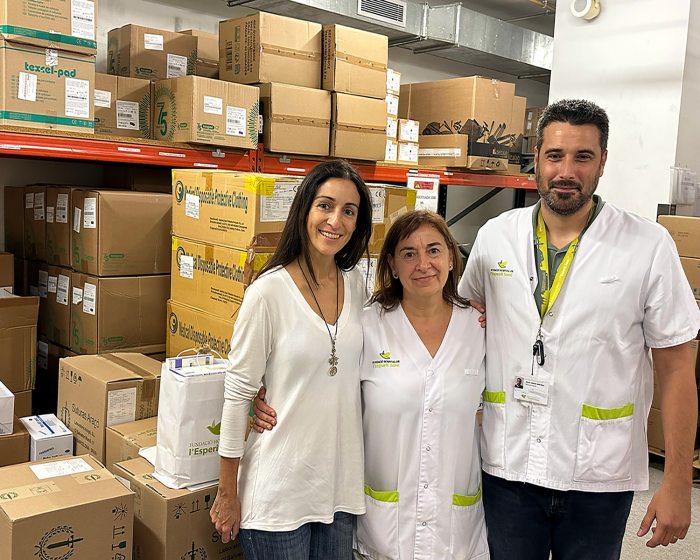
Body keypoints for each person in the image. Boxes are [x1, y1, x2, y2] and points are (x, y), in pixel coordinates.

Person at [459, 99, 700, 560]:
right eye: (555, 155)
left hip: (597, 474)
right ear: (536, 158)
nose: (566, 171)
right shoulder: (494, 236)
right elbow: (466, 317)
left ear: (603, 161)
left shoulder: (647, 245)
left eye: (583, 157)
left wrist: (677, 481)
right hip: (508, 465)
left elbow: (676, 367)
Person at [254, 210, 490, 559]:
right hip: (384, 529)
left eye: (434, 250)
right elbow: (313, 369)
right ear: (392, 265)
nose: (423, 264)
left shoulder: (480, 326)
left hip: (456, 530)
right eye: (409, 253)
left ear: (452, 258)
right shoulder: (365, 324)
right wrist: (261, 396)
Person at [210, 159, 373, 560]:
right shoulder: (268, 294)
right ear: (304, 209)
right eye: (325, 206)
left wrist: (466, 309)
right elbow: (237, 395)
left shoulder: (356, 285)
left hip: (338, 490)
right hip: (278, 494)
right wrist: (226, 492)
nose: (335, 220)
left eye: (349, 211)